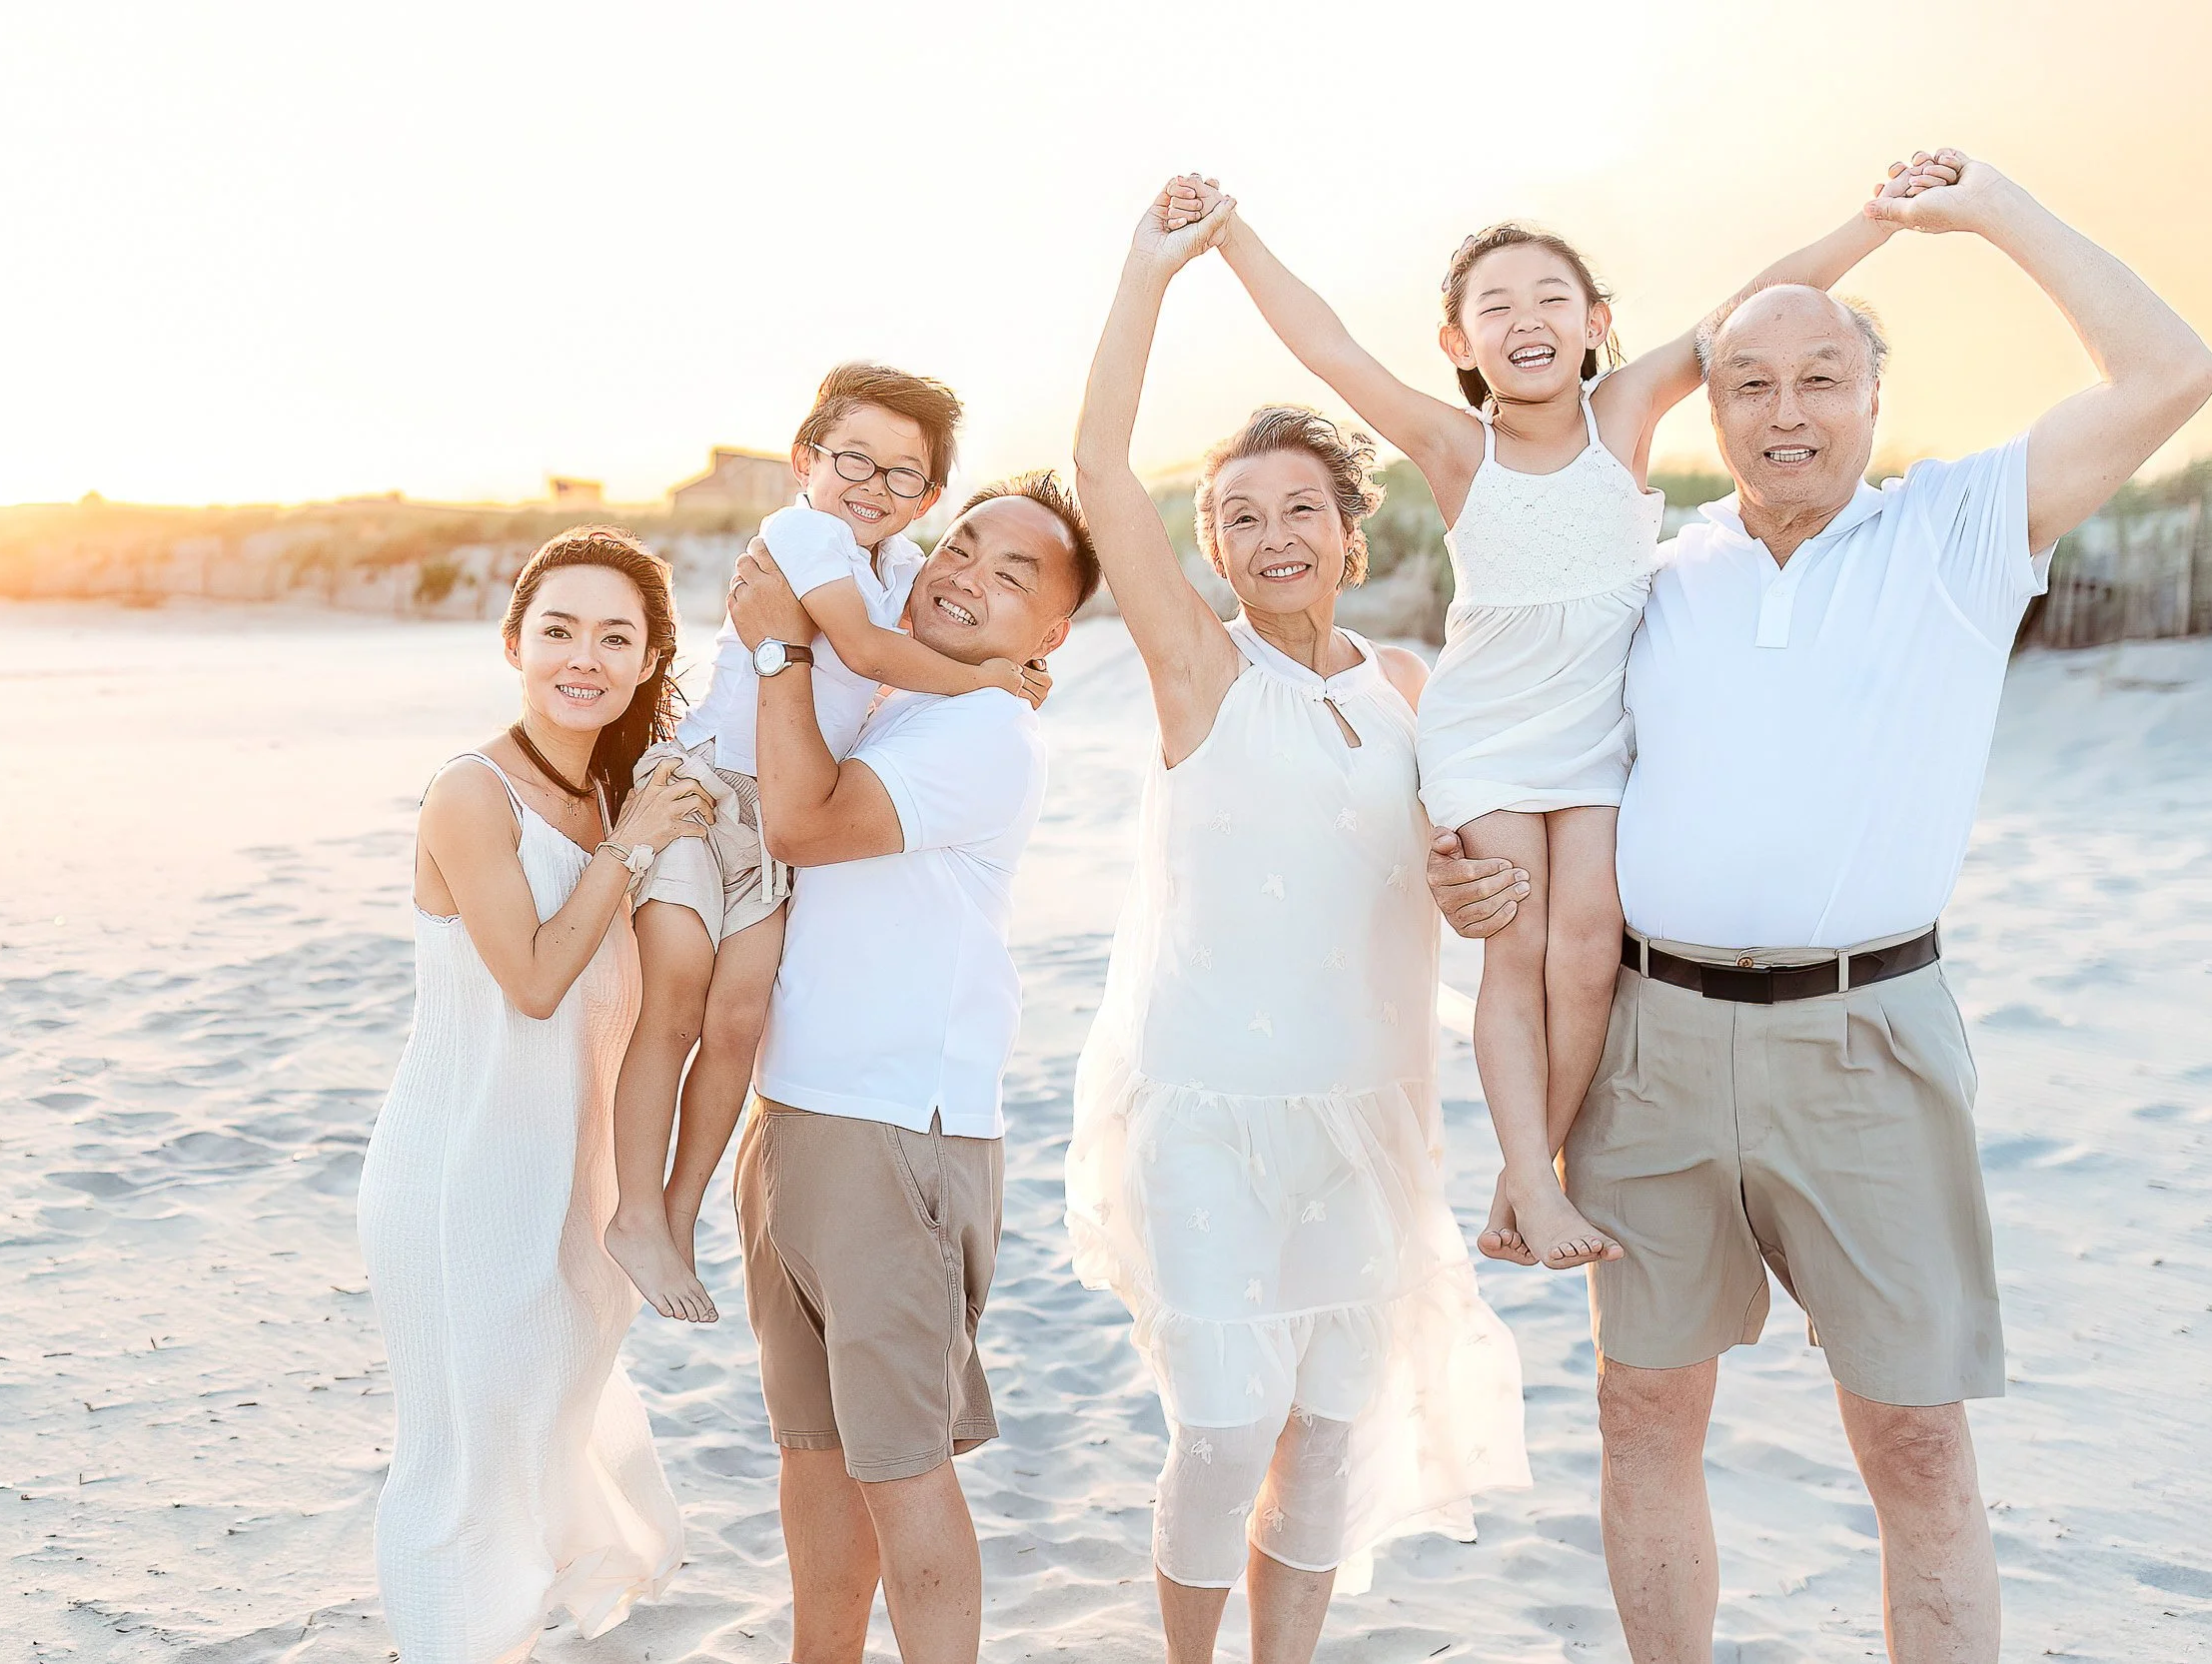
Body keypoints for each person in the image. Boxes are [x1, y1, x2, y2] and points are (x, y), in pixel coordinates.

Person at [1545, 151, 2212, 1661]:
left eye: (1823, 377)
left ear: (1871, 391)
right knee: (1641, 1409)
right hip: (1650, 1041)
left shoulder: (1960, 536)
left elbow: (2174, 371)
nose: (1788, 411)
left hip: (1870, 1042)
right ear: (1714, 409)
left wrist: (1987, 210)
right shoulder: (1655, 572)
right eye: (1753, 383)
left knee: (1914, 1440)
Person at [1182, 155, 1956, 1270]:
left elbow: (1752, 302)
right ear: (1458, 344)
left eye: (1551, 299)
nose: (1525, 320)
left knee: (1591, 945)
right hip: (1487, 729)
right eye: (1493, 307)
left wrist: (1873, 219)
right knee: (1523, 945)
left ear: (1594, 323)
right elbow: (1328, 346)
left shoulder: (1624, 413)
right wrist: (1231, 235)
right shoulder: (1459, 448)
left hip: (1594, 736)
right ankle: (1536, 1183)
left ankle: (1521, 1168)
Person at [1064, 181, 1531, 1664]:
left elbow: (1457, 871)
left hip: (1368, 1107)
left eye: (1299, 514)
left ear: (1349, 535)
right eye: (1241, 518)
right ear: (1211, 547)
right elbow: (1096, 465)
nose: (1273, 537)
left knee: (1329, 1428)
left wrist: (1484, 889)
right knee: (1222, 1423)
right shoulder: (1200, 674)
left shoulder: (1403, 687)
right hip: (1206, 1107)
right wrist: (1149, 273)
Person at [720, 474, 1099, 1664]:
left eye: (1008, 577)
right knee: (816, 1454)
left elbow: (805, 824)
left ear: (1050, 638)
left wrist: (783, 648)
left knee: (902, 1466)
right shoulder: (908, 695)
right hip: (797, 1112)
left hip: (896, 1130)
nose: (963, 574)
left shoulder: (984, 730)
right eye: (962, 545)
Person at [604, 364, 1049, 1323]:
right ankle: (635, 1209)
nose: (872, 487)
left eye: (903, 475)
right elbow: (864, 654)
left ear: (929, 498)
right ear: (806, 459)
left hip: (776, 824)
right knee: (677, 1002)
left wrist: (999, 668)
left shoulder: (903, 568)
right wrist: (993, 682)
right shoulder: (803, 537)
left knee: (738, 1022)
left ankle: (676, 1218)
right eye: (853, 458)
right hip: (704, 794)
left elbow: (920, 650)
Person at [356, 527, 720, 1663]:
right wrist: (632, 847)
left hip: (569, 1184)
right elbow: (532, 981)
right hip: (460, 1175)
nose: (584, 656)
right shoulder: (473, 792)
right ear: (514, 641)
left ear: (650, 656)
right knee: (460, 1468)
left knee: (536, 1445)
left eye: (617, 636)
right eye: (558, 629)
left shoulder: (620, 791)